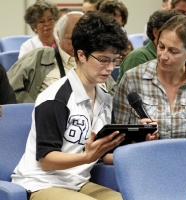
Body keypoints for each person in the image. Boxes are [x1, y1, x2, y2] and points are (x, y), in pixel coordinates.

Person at [11, 11, 129, 200]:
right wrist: (86, 157)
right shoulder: (56, 98)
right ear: (81, 55)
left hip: (76, 183)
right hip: (40, 183)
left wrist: (137, 147)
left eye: (114, 61)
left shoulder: (105, 98)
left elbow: (103, 155)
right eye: (103, 60)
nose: (109, 68)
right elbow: (46, 160)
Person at [113, 15, 186, 140]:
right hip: (143, 156)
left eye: (173, 51)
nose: (163, 56)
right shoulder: (132, 79)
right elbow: (117, 140)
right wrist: (138, 137)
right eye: (161, 47)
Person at [8, 11, 84, 103]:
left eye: (83, 39)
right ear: (59, 36)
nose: (78, 44)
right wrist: (33, 108)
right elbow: (9, 89)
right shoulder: (38, 56)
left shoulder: (97, 60)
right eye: (71, 39)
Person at [117, 9, 180, 84]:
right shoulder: (138, 57)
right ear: (156, 32)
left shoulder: (176, 56)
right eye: (173, 32)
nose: (178, 36)